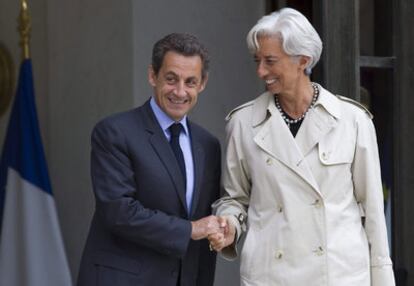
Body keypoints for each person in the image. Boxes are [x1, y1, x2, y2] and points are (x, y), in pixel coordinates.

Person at [209, 8, 395, 286]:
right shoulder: (243, 123)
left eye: (270, 61)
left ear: (303, 60)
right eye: (257, 60)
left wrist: (382, 279)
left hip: (338, 275)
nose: (261, 71)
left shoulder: (352, 121)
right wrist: (229, 224)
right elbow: (235, 199)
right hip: (271, 275)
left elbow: (374, 213)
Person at [77, 33, 222, 286]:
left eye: (190, 82)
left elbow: (206, 223)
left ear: (203, 84)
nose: (180, 91)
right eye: (171, 79)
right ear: (152, 76)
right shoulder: (114, 132)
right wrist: (190, 230)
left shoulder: (208, 145)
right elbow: (118, 211)